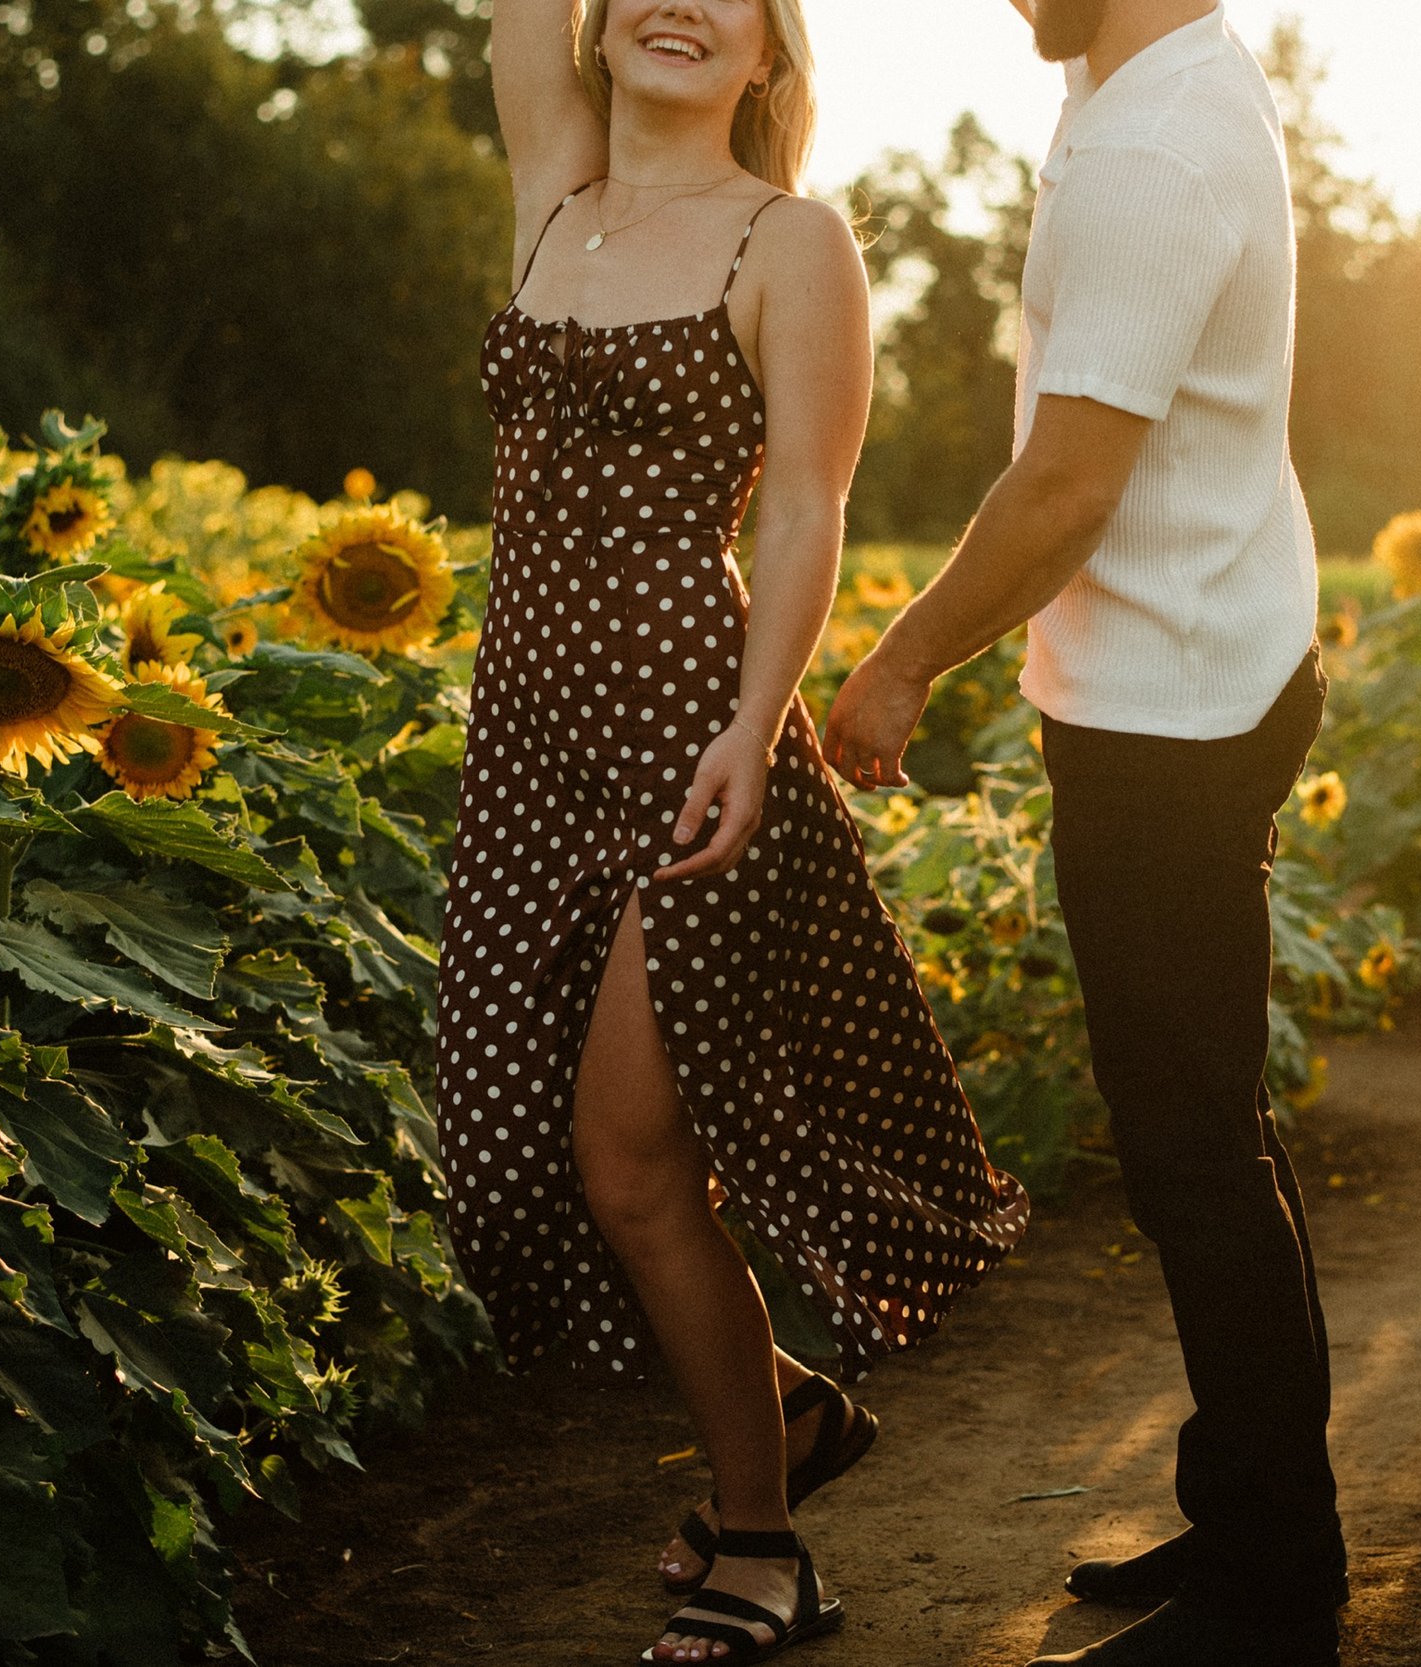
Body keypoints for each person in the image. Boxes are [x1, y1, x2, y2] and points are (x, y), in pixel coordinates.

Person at [442, 2, 1030, 1660]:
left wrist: (755, 733)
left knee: (632, 1165)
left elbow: (804, 504)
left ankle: (764, 1544)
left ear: (771, 58)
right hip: (532, 752)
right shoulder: (553, 191)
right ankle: (785, 1407)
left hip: (693, 745)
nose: (681, 4)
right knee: (497, 1152)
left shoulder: (795, 241)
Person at [822, 0, 1346, 1662]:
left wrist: (898, 667)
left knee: (1193, 1151)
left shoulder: (1151, 143)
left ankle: (1276, 1583)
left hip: (1173, 715)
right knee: (1212, 1137)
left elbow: (1064, 486)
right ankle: (1252, 1520)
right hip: (1203, 665)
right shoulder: (1148, 89)